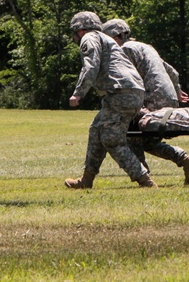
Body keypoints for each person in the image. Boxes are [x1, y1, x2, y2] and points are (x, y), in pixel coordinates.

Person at [102, 18, 189, 185]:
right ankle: (186, 160)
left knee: (130, 134)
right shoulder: (146, 47)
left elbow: (127, 80)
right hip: (168, 98)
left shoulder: (124, 50)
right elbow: (173, 72)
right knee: (148, 140)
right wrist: (176, 91)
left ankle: (144, 177)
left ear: (115, 37)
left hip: (152, 99)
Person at [65, 11, 157, 190]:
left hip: (120, 92)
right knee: (96, 130)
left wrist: (78, 93)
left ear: (80, 30)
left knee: (111, 139)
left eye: (74, 33)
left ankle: (145, 181)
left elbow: (91, 65)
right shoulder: (103, 38)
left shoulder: (89, 38)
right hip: (132, 91)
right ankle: (86, 180)